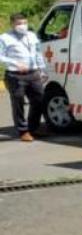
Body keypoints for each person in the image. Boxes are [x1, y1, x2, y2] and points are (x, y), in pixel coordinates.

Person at [1, 13, 47, 142]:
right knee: (18, 103)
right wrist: (15, 63)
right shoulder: (4, 38)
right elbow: (1, 56)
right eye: (19, 24)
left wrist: (42, 69)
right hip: (15, 75)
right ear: (12, 24)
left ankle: (34, 127)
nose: (22, 26)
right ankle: (23, 131)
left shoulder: (32, 36)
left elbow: (38, 52)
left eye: (24, 23)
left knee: (39, 99)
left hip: (33, 74)